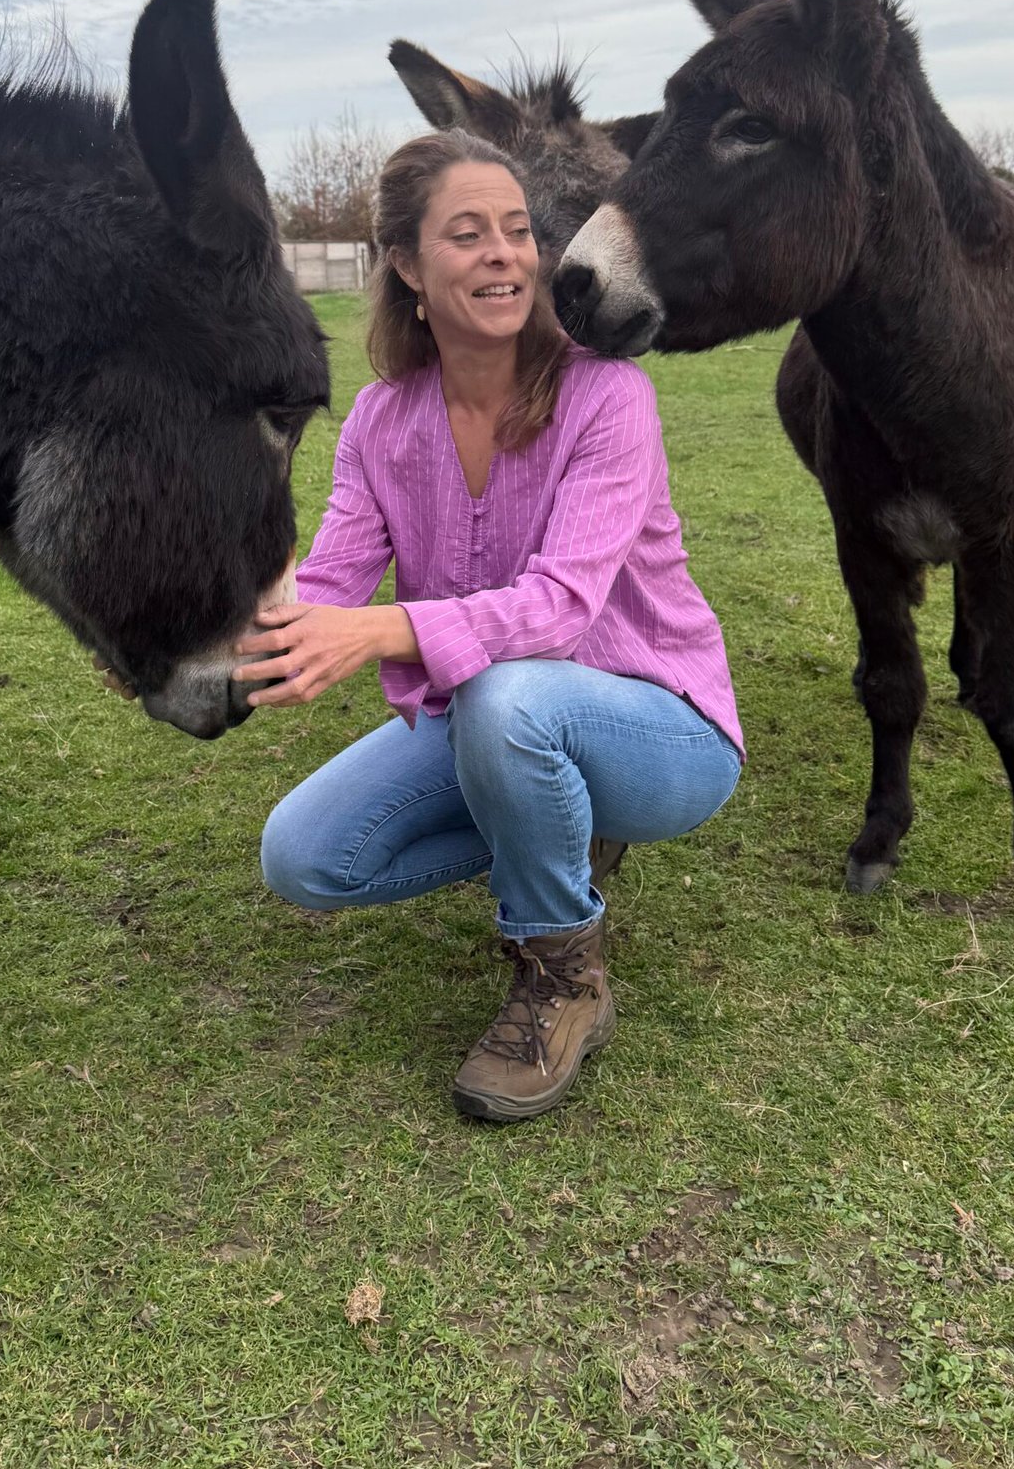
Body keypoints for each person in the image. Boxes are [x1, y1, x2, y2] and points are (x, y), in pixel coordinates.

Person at [235, 129, 743, 1122]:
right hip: (502, 722)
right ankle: (546, 828)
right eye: (467, 235)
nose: (505, 254)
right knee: (303, 858)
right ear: (406, 264)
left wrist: (382, 632)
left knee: (508, 696)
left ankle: (562, 977)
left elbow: (558, 611)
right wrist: (203, 646)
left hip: (664, 728)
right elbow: (328, 588)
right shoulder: (383, 421)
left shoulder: (610, 400)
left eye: (517, 231)